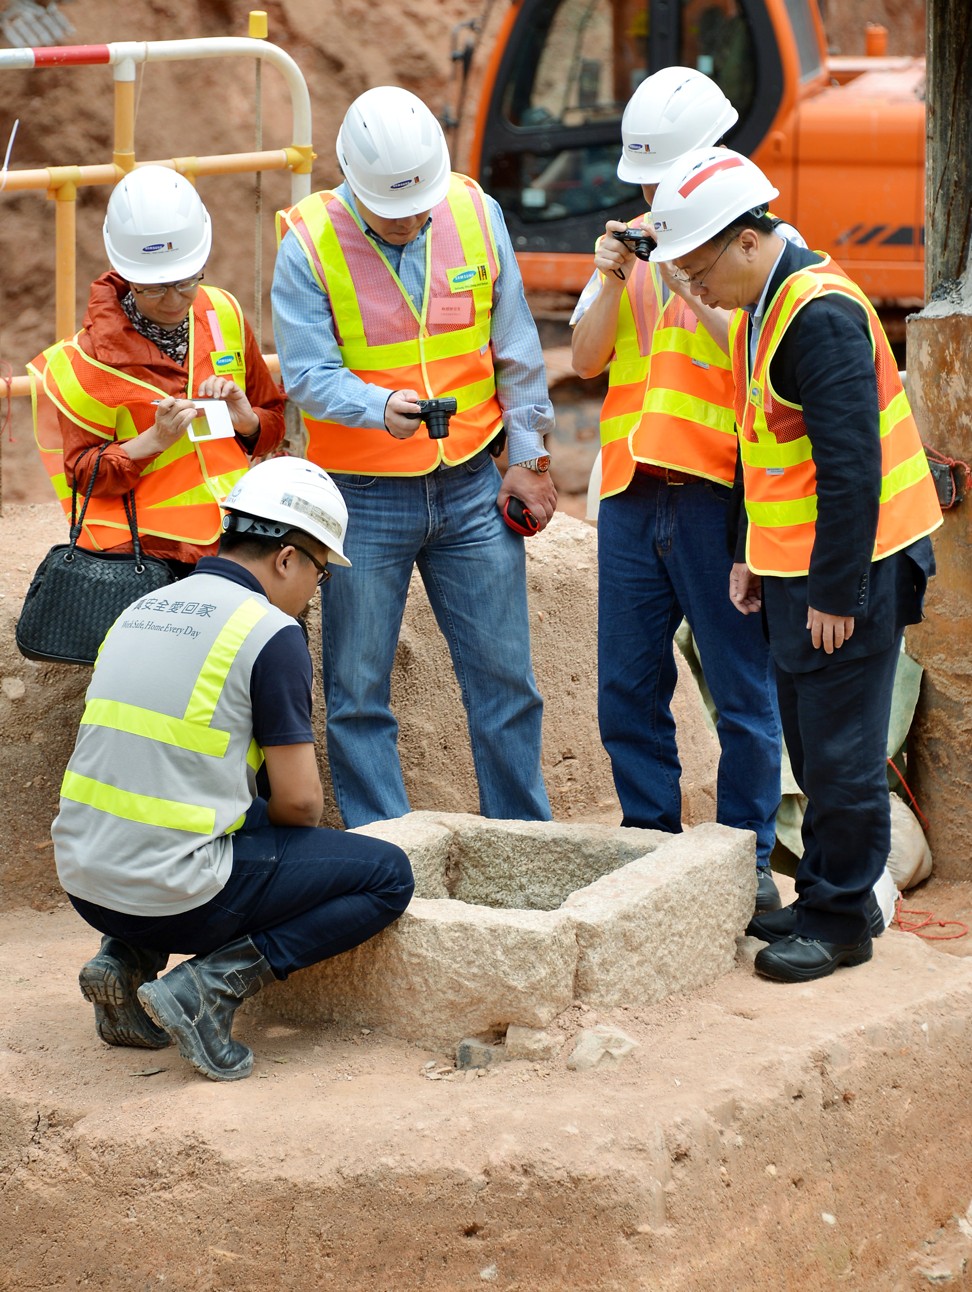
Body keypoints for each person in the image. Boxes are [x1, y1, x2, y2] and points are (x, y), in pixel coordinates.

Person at [647, 147, 942, 982]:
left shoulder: (818, 316)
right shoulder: (761, 309)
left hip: (854, 569)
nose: (696, 291)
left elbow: (853, 470)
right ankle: (820, 897)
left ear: (747, 240)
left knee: (842, 754)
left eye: (701, 271)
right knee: (811, 749)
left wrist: (835, 590)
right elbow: (762, 443)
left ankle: (845, 920)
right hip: (791, 565)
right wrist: (748, 550)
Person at [52, 457, 415, 1080]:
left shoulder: (144, 606)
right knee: (386, 876)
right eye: (320, 573)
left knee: (208, 818)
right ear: (286, 558)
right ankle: (209, 988)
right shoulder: (269, 632)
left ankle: (125, 959)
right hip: (177, 897)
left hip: (87, 882)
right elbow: (302, 805)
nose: (314, 592)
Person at [271, 85, 556, 829]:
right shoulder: (308, 240)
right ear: (351, 185)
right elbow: (304, 372)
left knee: (506, 684)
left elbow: (516, 348)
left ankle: (524, 843)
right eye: (391, 208)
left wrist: (527, 454)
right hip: (361, 495)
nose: (409, 219)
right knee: (358, 692)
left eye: (418, 203)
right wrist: (377, 409)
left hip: (471, 486)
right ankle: (388, 858)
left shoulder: (471, 211)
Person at [570, 68, 785, 915]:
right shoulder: (635, 248)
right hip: (629, 488)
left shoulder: (752, 244)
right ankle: (650, 849)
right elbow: (587, 359)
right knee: (626, 687)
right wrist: (610, 274)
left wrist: (686, 276)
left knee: (742, 691)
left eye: (664, 176)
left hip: (716, 493)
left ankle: (748, 864)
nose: (654, 194)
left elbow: (750, 350)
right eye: (648, 181)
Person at [30, 165, 285, 576]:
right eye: (153, 288)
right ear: (126, 275)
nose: (173, 301)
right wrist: (153, 440)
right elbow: (86, 478)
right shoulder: (86, 361)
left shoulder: (222, 312)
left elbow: (272, 422)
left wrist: (248, 422)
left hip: (234, 538)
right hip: (141, 556)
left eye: (187, 282)